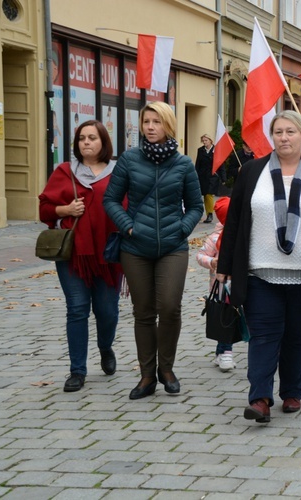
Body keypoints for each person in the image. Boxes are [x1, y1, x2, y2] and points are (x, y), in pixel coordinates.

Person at [216, 110, 301, 424]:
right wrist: (225, 266)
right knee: (263, 336)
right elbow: (234, 221)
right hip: (260, 271)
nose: (284, 138)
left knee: (298, 337)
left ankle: (292, 392)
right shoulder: (251, 171)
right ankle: (260, 398)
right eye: (278, 132)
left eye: (290, 132)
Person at [103, 101, 204, 400]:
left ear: (168, 125)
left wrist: (182, 229)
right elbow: (111, 199)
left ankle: (167, 369)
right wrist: (129, 227)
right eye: (146, 121)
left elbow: (196, 206)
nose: (149, 127)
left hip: (173, 246)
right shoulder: (129, 160)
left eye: (156, 122)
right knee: (143, 312)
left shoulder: (183, 164)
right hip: (135, 248)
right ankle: (147, 376)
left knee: (170, 307)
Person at [39, 120, 123, 393]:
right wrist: (65, 209)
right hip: (74, 254)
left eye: (92, 138)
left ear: (103, 143)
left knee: (107, 312)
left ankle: (105, 347)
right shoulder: (64, 171)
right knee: (77, 310)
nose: (86, 142)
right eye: (81, 138)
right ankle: (77, 371)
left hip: (109, 254)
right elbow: (44, 210)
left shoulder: (119, 172)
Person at [196, 196, 235, 371]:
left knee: (230, 318)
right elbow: (200, 256)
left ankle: (221, 352)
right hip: (220, 288)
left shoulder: (243, 235)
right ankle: (226, 352)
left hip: (240, 285)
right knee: (225, 318)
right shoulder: (215, 238)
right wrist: (211, 262)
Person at [195, 134, 225, 223]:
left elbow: (221, 165)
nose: (204, 142)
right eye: (203, 141)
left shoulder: (216, 150)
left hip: (213, 176)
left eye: (206, 140)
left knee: (209, 194)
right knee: (205, 195)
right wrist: (195, 175)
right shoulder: (200, 150)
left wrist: (223, 178)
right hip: (202, 176)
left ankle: (210, 214)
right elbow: (198, 164)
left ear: (211, 140)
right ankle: (206, 213)